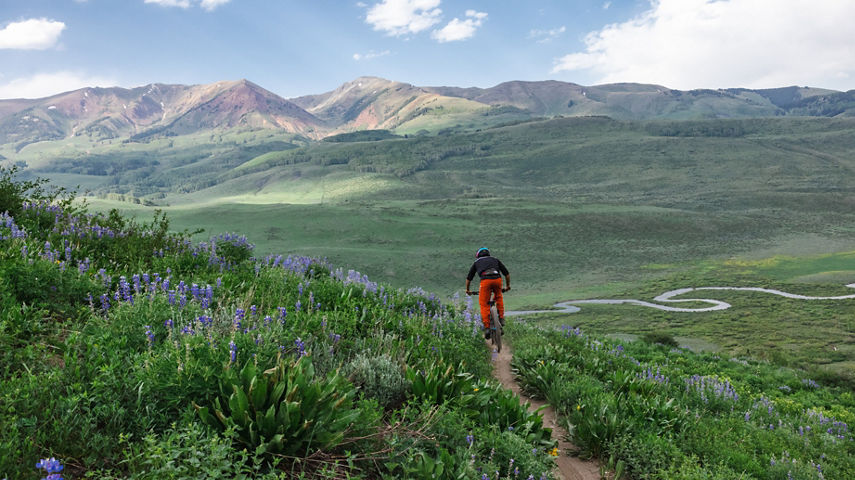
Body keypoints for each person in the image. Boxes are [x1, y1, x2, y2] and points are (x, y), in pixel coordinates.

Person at [465, 247, 510, 339]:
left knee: (484, 303)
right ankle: (501, 319)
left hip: (485, 281)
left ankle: (487, 328)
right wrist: (507, 286)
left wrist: (468, 290)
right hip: (497, 279)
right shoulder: (495, 259)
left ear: (478, 255)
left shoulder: (477, 262)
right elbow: (506, 273)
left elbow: (469, 278)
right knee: (498, 297)